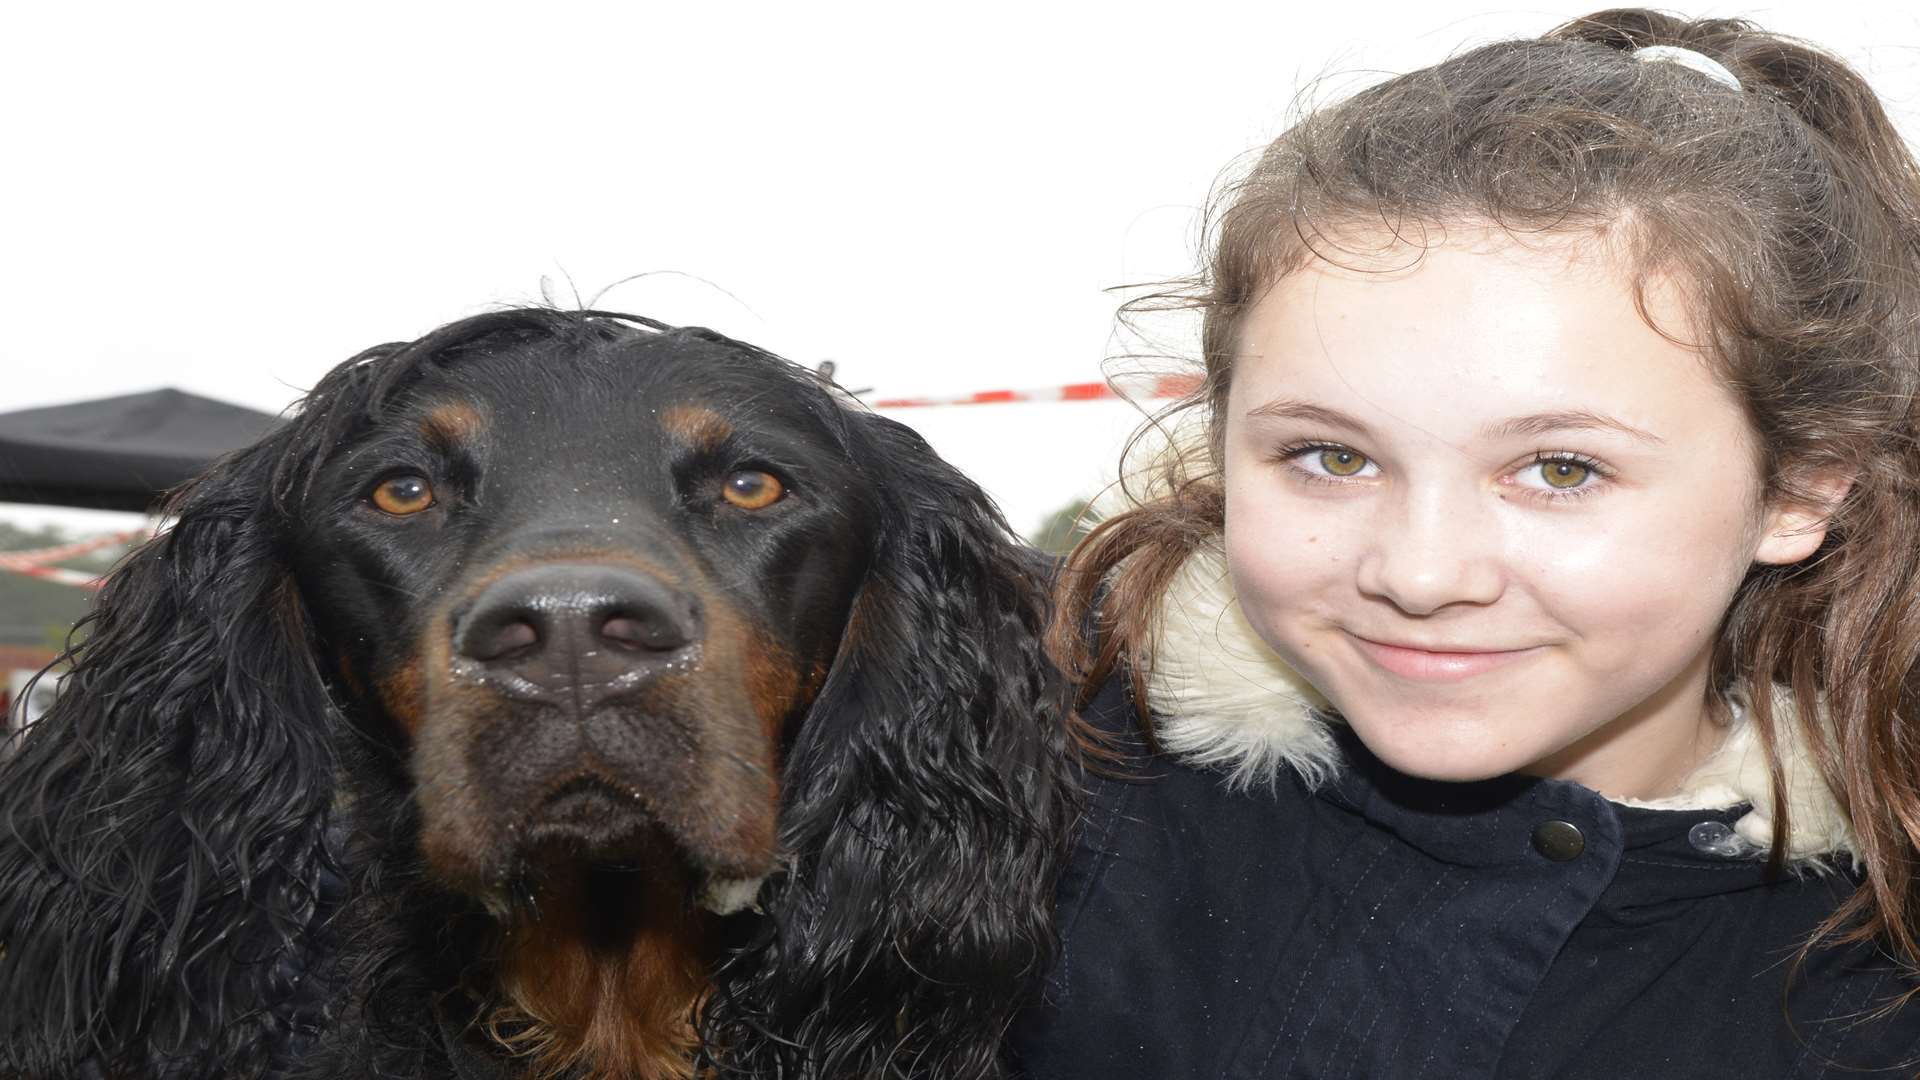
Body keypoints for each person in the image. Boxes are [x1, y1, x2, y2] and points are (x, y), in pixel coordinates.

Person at [1011, 9, 1920, 1078]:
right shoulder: (1023, 795)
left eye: (1561, 470)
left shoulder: (1871, 991)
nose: (1421, 572)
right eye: (1331, 457)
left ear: (1799, 489)